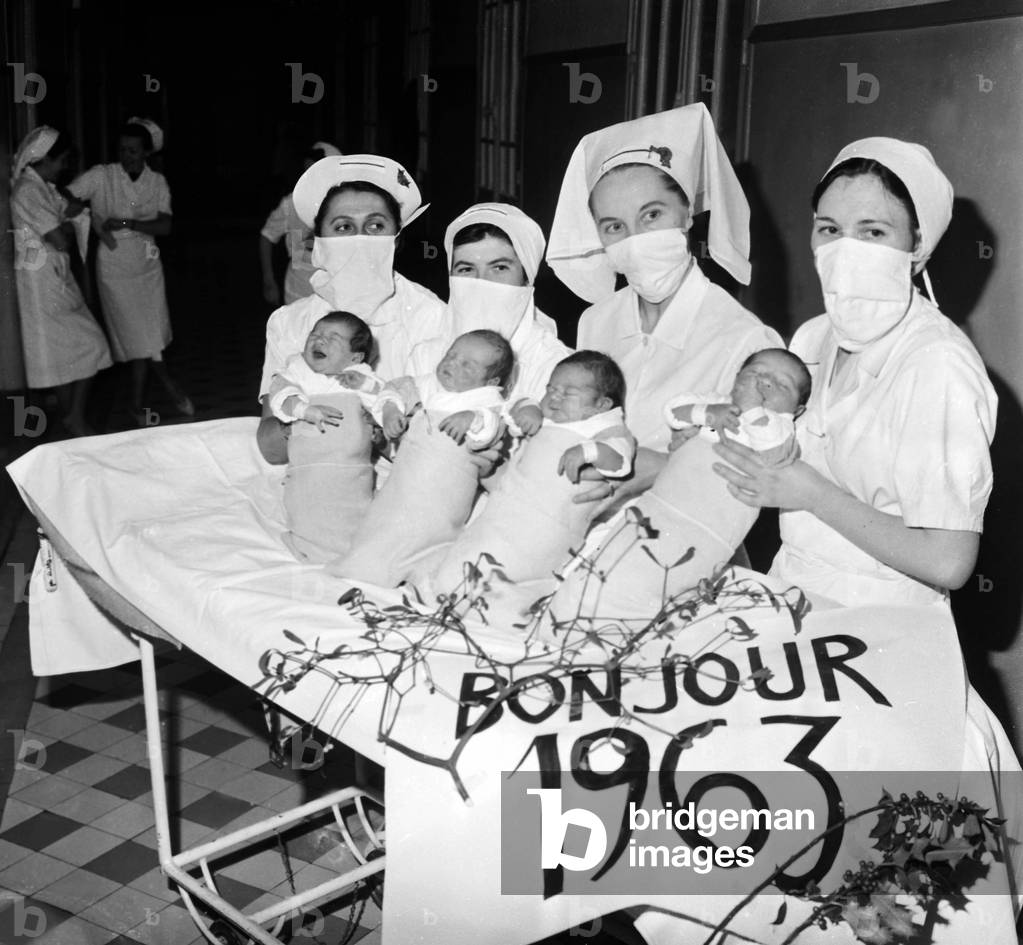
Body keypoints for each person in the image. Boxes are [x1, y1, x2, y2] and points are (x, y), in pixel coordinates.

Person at [711, 137, 996, 610]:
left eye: (873, 232)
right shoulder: (812, 339)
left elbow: (949, 562)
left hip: (885, 620)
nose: (845, 251)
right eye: (829, 229)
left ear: (918, 244)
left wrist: (810, 492)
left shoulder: (938, 364)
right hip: (790, 593)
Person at [546, 102, 782, 509]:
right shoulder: (595, 322)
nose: (635, 239)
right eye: (614, 226)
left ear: (687, 214)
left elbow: (761, 477)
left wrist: (668, 467)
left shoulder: (745, 338)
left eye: (652, 215)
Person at [548, 349, 811, 622]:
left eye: (781, 385)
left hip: (709, 528)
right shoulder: (716, 403)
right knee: (615, 557)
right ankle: (569, 609)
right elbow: (674, 410)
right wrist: (708, 413)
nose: (765, 383)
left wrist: (752, 408)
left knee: (668, 586)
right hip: (662, 503)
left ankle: (624, 628)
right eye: (756, 373)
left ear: (798, 410)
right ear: (736, 378)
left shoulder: (781, 429)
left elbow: (774, 452)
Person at [257, 153, 448, 465]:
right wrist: (313, 419)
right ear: (318, 241)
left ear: (396, 240)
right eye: (343, 227)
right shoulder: (290, 322)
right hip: (312, 472)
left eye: (375, 225)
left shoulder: (430, 315)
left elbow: (437, 436)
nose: (361, 239)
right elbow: (270, 447)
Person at [424, 350, 636, 593]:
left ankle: (499, 606)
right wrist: (528, 409)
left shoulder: (606, 429)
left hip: (549, 523)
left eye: (567, 393)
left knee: (519, 571)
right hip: (506, 509)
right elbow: (512, 408)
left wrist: (590, 452)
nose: (554, 397)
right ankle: (446, 590)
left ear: (602, 405)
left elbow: (620, 461)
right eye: (551, 389)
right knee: (474, 552)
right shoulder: (547, 419)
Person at [329, 330, 514, 587]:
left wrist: (472, 419)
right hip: (404, 487)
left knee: (433, 542)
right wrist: (392, 410)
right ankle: (365, 566)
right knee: (383, 526)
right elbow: (394, 390)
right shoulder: (427, 385)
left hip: (442, 499)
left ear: (490, 381)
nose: (451, 363)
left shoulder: (486, 403)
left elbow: (492, 429)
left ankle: (425, 578)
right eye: (451, 355)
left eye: (466, 365)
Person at [69, 118, 192, 426]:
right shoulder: (102, 176)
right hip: (113, 267)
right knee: (139, 336)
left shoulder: (157, 182)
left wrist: (127, 223)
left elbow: (165, 225)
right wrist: (88, 217)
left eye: (134, 151)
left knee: (150, 335)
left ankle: (136, 405)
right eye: (123, 150)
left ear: (146, 152)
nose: (127, 156)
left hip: (147, 264)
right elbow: (66, 198)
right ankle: (169, 385)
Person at [421, 202, 572, 414]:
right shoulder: (425, 353)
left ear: (526, 278)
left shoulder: (552, 363)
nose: (482, 281)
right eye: (466, 269)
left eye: (499, 267)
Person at [10, 126, 112, 437]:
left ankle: (71, 417)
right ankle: (74, 418)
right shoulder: (28, 190)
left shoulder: (44, 187)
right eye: (62, 161)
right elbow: (59, 237)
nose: (65, 167)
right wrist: (65, 226)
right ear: (46, 159)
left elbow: (71, 209)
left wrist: (65, 221)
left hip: (55, 280)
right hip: (40, 285)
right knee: (86, 345)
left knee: (72, 353)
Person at [268, 312, 383, 563]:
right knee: (306, 512)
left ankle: (353, 550)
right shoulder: (297, 370)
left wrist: (368, 393)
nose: (319, 341)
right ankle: (307, 545)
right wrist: (303, 409)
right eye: (316, 334)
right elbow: (279, 394)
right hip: (308, 472)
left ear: (355, 357)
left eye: (333, 338)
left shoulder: (360, 377)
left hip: (351, 472)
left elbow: (383, 404)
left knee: (356, 515)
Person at [259, 141, 342, 306]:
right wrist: (268, 280)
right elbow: (267, 236)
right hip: (298, 293)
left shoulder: (345, 205)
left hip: (336, 293)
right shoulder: (291, 203)